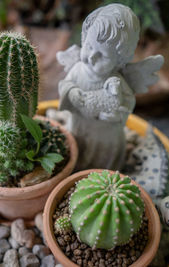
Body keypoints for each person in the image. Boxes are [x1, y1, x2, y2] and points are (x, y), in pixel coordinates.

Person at [58, 4, 140, 170]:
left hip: (105, 134)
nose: (92, 57)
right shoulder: (78, 70)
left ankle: (104, 178)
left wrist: (116, 114)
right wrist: (72, 92)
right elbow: (65, 85)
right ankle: (75, 171)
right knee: (77, 151)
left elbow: (128, 102)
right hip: (80, 125)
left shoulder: (115, 82)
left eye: (103, 55)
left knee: (102, 158)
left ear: (119, 61)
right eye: (88, 46)